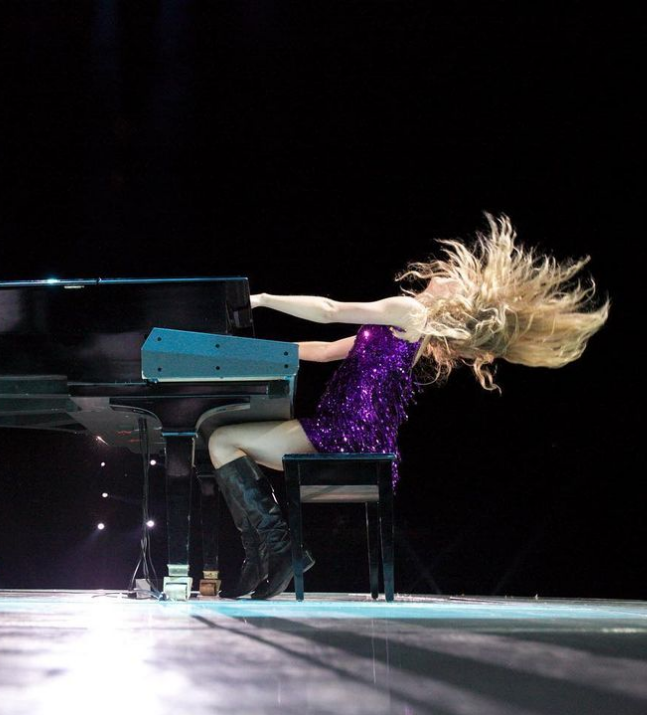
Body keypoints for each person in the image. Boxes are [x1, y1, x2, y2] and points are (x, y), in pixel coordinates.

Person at [208, 213, 610, 599]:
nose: (444, 273)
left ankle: (275, 552)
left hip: (346, 433)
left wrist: (261, 298)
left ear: (452, 298)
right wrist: (249, 351)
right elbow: (328, 350)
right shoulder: (404, 330)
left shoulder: (410, 311)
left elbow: (329, 311)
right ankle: (268, 554)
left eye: (453, 278)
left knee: (222, 439)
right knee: (226, 442)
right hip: (354, 435)